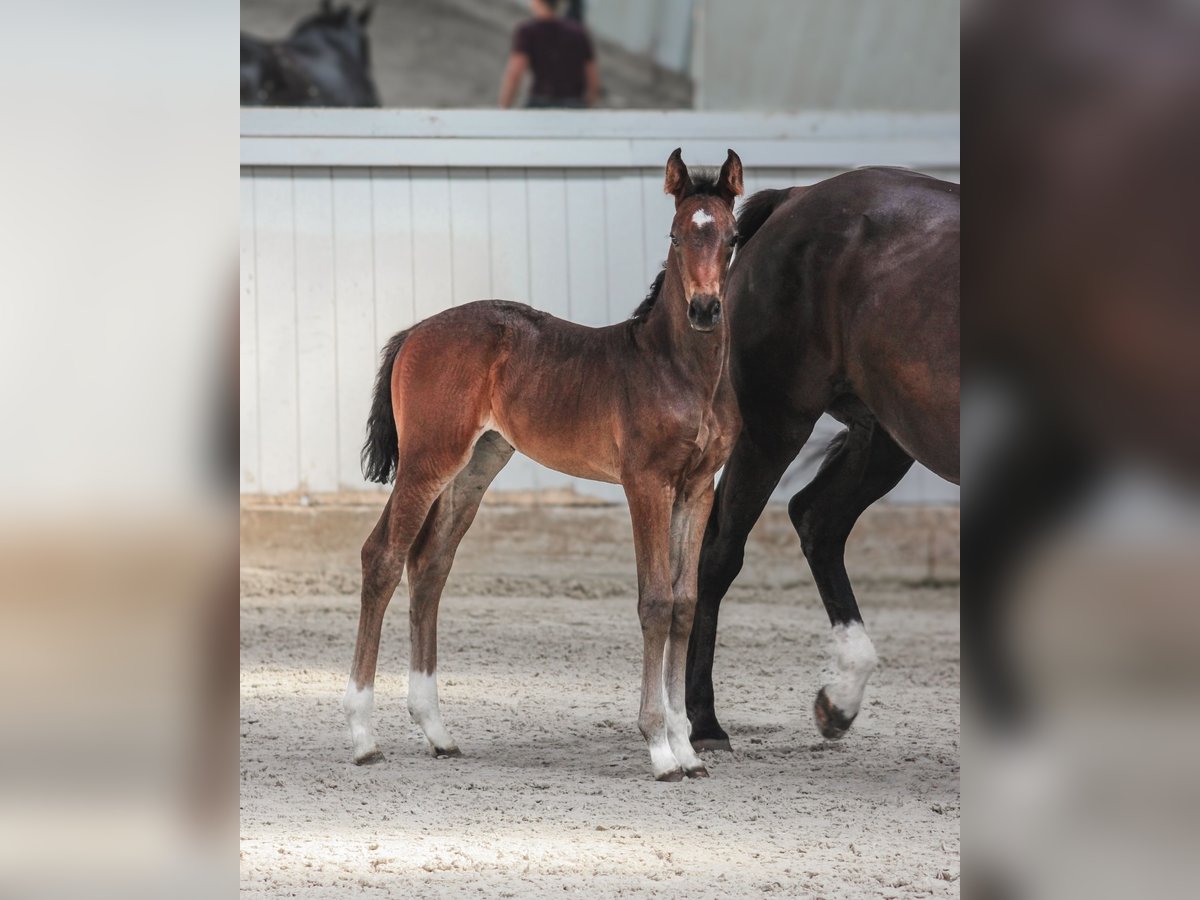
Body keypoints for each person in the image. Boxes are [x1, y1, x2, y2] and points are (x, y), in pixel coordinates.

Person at [498, 0, 600, 109]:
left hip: (540, 104)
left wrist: (505, 106)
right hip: (574, 103)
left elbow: (515, 72)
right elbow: (592, 77)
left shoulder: (528, 31)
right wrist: (587, 106)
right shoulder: (578, 32)